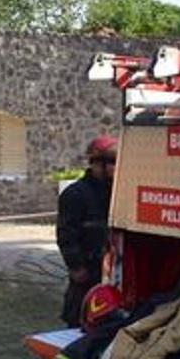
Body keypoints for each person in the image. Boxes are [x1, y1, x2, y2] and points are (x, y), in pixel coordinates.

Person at [56, 135, 118, 327]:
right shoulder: (75, 194)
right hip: (87, 269)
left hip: (112, 270)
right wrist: (76, 266)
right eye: (113, 163)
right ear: (99, 164)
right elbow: (66, 234)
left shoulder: (116, 193)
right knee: (80, 316)